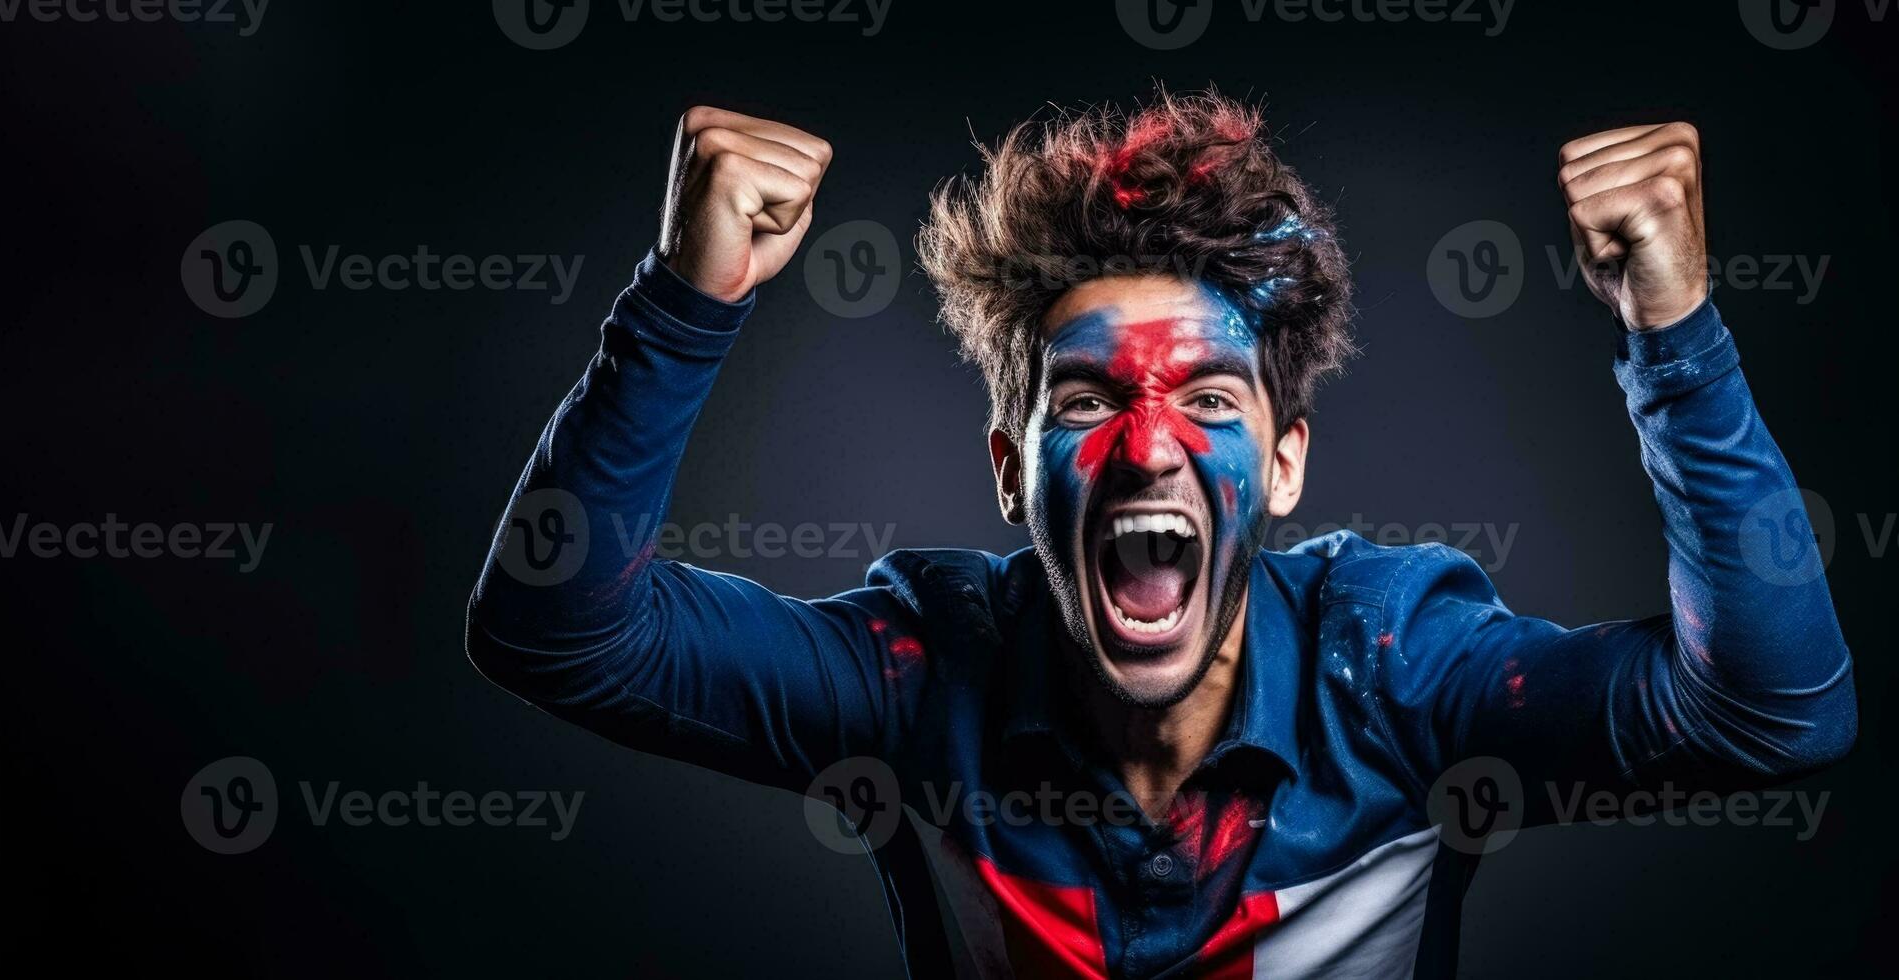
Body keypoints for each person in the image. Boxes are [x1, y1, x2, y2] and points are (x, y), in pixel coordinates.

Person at [464, 90, 1853, 978]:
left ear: (1287, 461)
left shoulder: (1398, 669)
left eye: (1206, 397)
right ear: (1010, 475)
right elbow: (558, 630)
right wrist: (683, 304)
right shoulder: (915, 674)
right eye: (1085, 401)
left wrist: (1671, 336)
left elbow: (1768, 713)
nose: (1144, 446)